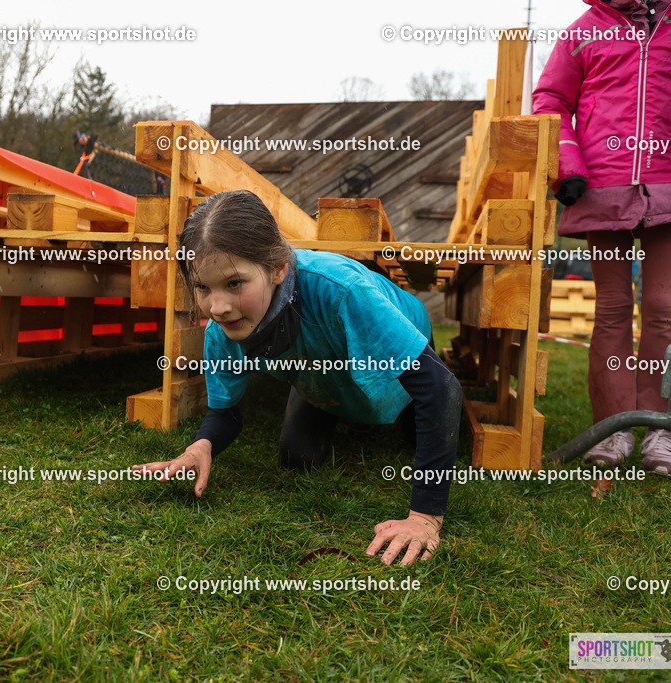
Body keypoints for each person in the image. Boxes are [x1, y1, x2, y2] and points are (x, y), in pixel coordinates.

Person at [133, 190, 463, 566]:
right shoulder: (221, 331)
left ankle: (374, 409)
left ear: (278, 268)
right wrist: (200, 447)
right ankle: (346, 410)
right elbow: (225, 414)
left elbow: (441, 390)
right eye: (203, 288)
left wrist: (424, 518)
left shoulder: (342, 292)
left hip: (399, 331)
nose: (218, 307)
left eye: (235, 283)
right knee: (296, 457)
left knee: (416, 434)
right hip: (320, 368)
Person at [534, 0, 671, 479]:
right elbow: (551, 100)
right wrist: (567, 167)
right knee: (611, 306)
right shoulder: (583, 31)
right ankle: (613, 427)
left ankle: (665, 431)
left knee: (668, 307)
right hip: (602, 190)